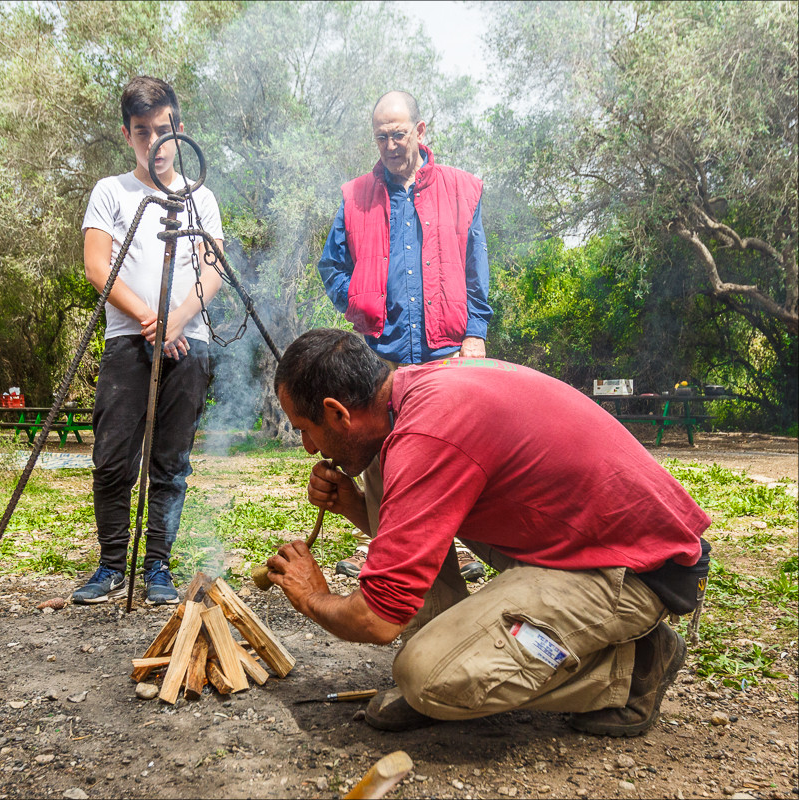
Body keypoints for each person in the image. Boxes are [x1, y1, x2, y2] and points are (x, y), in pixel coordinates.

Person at [267, 329, 711, 738]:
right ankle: (454, 648)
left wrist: (313, 597)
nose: (309, 448)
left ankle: (630, 668)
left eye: (306, 430)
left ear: (337, 412)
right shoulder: (411, 398)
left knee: (425, 678)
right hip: (576, 540)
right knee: (383, 458)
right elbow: (414, 533)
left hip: (634, 570)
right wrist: (352, 504)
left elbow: (377, 619)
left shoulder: (428, 431)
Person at [317, 91, 492, 579]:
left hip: (448, 350)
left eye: (398, 134)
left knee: (449, 455)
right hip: (382, 352)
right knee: (381, 452)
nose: (391, 145)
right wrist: (358, 303)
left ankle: (453, 549)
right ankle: (386, 551)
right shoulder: (355, 195)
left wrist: (476, 333)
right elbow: (330, 266)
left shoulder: (462, 188)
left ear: (420, 130)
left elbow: (476, 272)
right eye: (381, 137)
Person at [71, 76, 224, 606]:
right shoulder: (112, 191)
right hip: (128, 342)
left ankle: (157, 563)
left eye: (164, 129)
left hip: (189, 342)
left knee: (171, 463)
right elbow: (98, 266)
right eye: (142, 132)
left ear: (180, 128)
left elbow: (212, 270)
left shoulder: (201, 196)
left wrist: (177, 320)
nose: (155, 142)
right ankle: (112, 564)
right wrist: (150, 319)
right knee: (113, 457)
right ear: (127, 134)